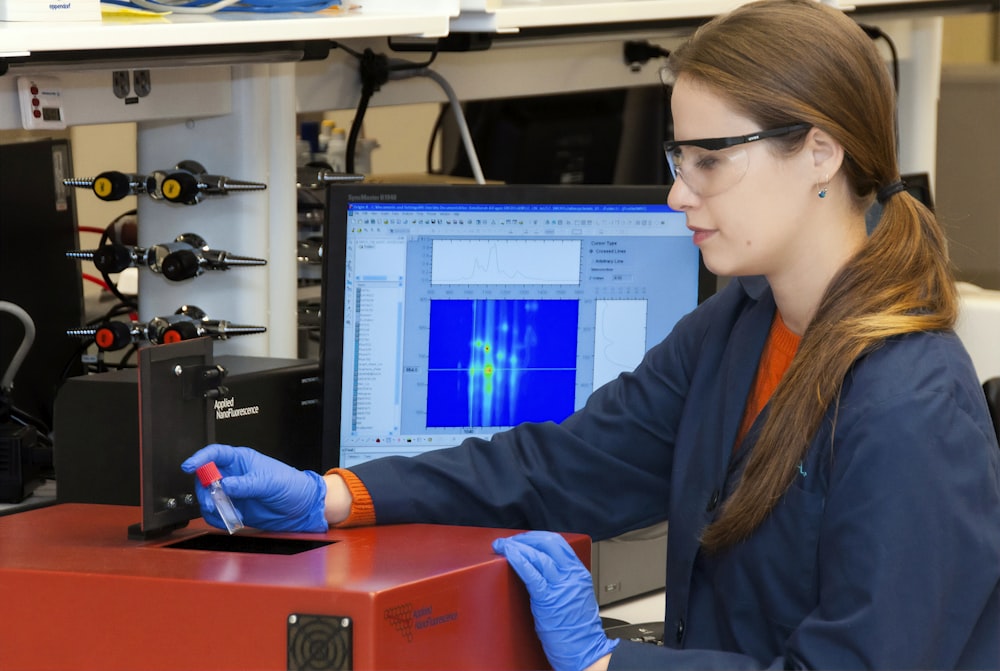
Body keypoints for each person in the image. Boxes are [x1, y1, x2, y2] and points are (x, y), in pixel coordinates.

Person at [183, 1, 1000, 668]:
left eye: (708, 160)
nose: (678, 194)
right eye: (676, 157)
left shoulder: (910, 399)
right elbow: (558, 467)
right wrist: (331, 494)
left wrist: (609, 663)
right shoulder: (737, 327)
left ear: (820, 151)